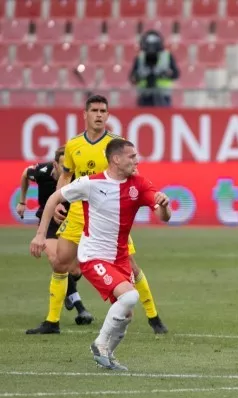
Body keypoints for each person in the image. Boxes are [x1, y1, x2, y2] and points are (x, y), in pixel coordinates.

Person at [25, 94, 168, 335]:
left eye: (103, 111)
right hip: (79, 213)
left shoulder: (117, 144)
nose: (99, 115)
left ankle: (154, 317)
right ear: (85, 114)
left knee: (131, 266)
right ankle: (52, 321)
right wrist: (61, 201)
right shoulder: (73, 145)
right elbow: (66, 175)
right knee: (60, 263)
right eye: (95, 111)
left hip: (109, 217)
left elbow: (133, 174)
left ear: (108, 115)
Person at [29, 139, 172, 371]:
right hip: (93, 255)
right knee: (130, 296)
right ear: (116, 159)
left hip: (120, 258)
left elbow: (164, 217)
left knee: (126, 315)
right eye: (132, 156)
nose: (137, 160)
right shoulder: (91, 184)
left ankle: (108, 355)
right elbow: (55, 198)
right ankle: (99, 344)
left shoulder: (140, 184)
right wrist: (40, 235)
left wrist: (164, 205)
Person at [18, 147, 93, 332]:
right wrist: (22, 201)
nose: (66, 169)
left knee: (74, 271)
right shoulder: (42, 172)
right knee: (57, 262)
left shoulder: (76, 178)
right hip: (49, 224)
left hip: (71, 223)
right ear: (55, 164)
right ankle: (74, 309)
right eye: (62, 166)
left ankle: (69, 294)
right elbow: (24, 173)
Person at [129, 30, 179, 107]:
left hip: (163, 96)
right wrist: (139, 76)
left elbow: (176, 74)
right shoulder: (140, 57)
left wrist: (165, 74)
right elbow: (132, 78)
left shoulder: (167, 56)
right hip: (144, 96)